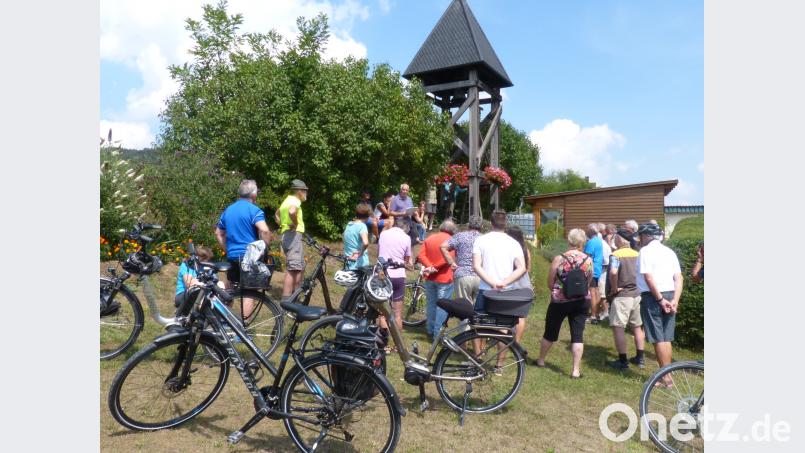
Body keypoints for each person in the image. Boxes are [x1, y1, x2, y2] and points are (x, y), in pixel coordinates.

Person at [535, 228, 593, 379]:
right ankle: (575, 370)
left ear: (569, 240)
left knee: (550, 332)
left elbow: (550, 281)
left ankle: (541, 360)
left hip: (560, 301)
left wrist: (556, 291)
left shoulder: (559, 258)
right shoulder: (588, 259)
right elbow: (589, 281)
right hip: (581, 301)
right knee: (578, 335)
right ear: (583, 242)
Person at [215, 179, 272, 317]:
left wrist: (227, 249)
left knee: (230, 290)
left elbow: (218, 232)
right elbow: (264, 231)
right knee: (249, 292)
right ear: (254, 195)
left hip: (232, 256)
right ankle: (243, 328)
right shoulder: (254, 210)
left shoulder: (228, 210)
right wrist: (265, 249)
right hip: (249, 257)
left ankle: (224, 322)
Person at [636, 222, 684, 377]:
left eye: (640, 236)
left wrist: (660, 300)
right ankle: (667, 375)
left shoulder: (645, 251)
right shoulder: (669, 252)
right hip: (671, 293)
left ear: (646, 236)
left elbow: (649, 278)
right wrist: (675, 299)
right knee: (666, 337)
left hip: (653, 296)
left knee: (658, 338)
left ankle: (666, 377)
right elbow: (678, 277)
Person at [606, 229, 646, 369]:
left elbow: (613, 272)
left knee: (618, 327)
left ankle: (623, 361)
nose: (614, 240)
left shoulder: (616, 255)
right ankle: (640, 358)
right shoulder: (638, 254)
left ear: (620, 240)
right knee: (637, 326)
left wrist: (614, 288)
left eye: (615, 238)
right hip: (637, 294)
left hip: (623, 296)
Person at [472, 210, 526, 312]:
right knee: (504, 324)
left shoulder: (480, 240)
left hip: (486, 289)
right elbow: (522, 267)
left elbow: (476, 266)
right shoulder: (514, 243)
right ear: (505, 224)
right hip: (506, 290)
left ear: (491, 223)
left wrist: (492, 283)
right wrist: (504, 283)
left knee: (481, 325)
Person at [418, 219, 457, 341]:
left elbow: (421, 255)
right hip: (445, 277)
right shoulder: (451, 241)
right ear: (453, 230)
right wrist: (434, 267)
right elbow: (448, 258)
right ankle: (438, 334)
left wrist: (429, 267)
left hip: (430, 277)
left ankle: (430, 329)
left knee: (431, 304)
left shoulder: (429, 238)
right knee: (443, 306)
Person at [378, 217, 414, 335]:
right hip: (398, 275)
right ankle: (397, 345)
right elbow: (407, 260)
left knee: (383, 313)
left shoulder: (383, 234)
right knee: (397, 313)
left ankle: (383, 343)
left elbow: (379, 253)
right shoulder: (407, 238)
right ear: (406, 227)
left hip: (382, 274)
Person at [275, 179, 308, 300]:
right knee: (293, 268)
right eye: (305, 191)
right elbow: (292, 211)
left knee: (299, 267)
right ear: (299, 191)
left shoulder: (287, 200)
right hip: (292, 236)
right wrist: (295, 224)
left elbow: (277, 214)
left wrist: (281, 223)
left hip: (287, 236)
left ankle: (295, 297)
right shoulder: (295, 200)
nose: (306, 193)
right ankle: (287, 302)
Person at [441, 214, 483, 304]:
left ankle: (466, 318)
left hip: (462, 275)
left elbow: (443, 247)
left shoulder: (460, 236)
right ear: (481, 226)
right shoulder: (485, 238)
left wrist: (451, 263)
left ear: (468, 225)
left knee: (464, 308)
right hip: (481, 276)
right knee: (479, 310)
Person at [506, 225, 532, 346]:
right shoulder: (525, 250)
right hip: (524, 284)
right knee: (521, 316)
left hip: (510, 283)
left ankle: (503, 339)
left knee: (505, 313)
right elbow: (528, 269)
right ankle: (516, 342)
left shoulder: (507, 249)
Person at [584, 223, 604, 324]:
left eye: (587, 229)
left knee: (591, 292)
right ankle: (596, 313)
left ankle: (593, 315)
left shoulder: (591, 242)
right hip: (598, 268)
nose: (586, 231)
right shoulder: (599, 241)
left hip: (591, 269)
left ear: (591, 231)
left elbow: (586, 256)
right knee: (596, 291)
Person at [343, 204, 371, 270]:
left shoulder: (349, 224)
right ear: (368, 216)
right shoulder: (362, 226)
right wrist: (360, 253)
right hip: (359, 264)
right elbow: (365, 243)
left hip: (348, 261)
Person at [597, 222, 612, 321]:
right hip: (603, 270)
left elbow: (606, 260)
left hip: (603, 270)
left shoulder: (602, 244)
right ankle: (603, 311)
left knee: (602, 293)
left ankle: (605, 312)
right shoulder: (603, 243)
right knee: (601, 292)